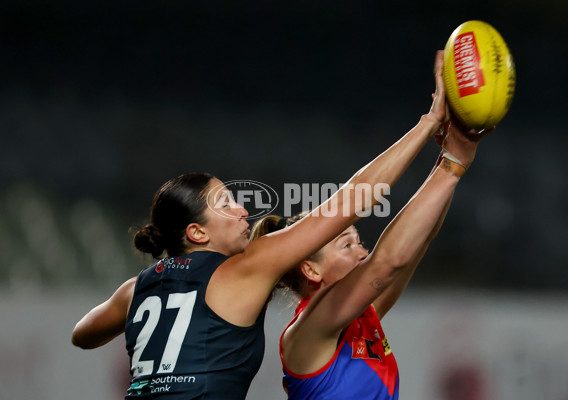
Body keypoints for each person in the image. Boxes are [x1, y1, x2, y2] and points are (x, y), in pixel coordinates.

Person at [71, 50, 452, 400]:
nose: (241, 210)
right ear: (197, 233)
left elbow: (82, 335)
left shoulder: (136, 289)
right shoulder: (247, 268)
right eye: (225, 203)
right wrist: (429, 123)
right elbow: (354, 198)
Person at [249, 112, 491, 399]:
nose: (362, 252)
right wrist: (452, 165)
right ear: (311, 270)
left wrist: (450, 158)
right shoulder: (309, 329)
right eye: (346, 245)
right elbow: (387, 262)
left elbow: (420, 239)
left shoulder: (365, 314)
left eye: (359, 241)